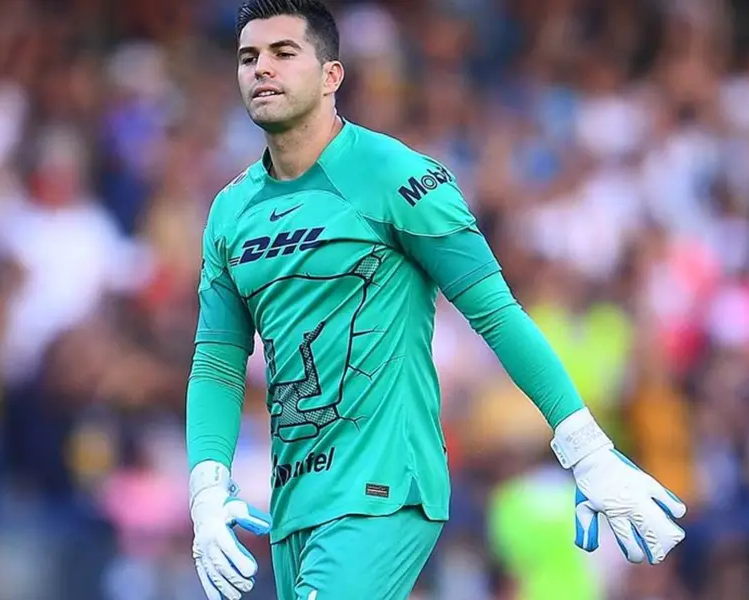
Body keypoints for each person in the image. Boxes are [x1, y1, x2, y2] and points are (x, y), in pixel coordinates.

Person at [184, 1, 687, 599]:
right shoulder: (229, 212)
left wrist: (587, 451)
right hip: (294, 501)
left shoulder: (397, 175)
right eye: (248, 57)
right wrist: (207, 488)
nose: (261, 68)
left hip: (384, 486)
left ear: (330, 76)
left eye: (283, 53)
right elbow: (217, 364)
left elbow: (497, 315)